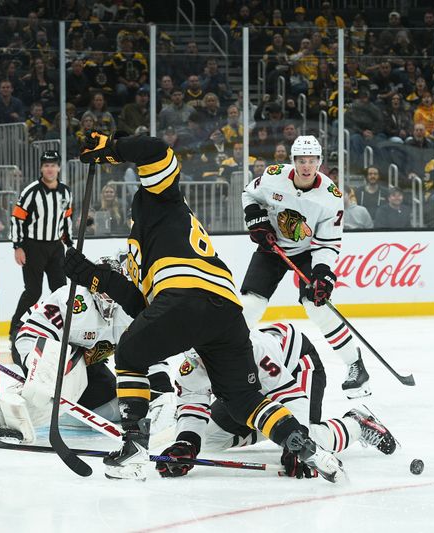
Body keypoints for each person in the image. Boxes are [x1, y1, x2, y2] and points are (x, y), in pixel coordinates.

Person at [65, 132, 344, 482]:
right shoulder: (143, 244)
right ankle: (304, 445)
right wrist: (92, 276)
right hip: (224, 311)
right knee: (242, 399)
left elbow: (155, 149)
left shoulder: (158, 197)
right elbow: (143, 307)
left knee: (129, 354)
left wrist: (111, 149)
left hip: (186, 298)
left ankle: (133, 447)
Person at [156, 323, 397, 479]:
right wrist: (187, 443)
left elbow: (290, 395)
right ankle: (271, 431)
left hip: (296, 366)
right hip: (249, 389)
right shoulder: (194, 366)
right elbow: (193, 404)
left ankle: (356, 424)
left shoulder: (255, 350)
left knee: (309, 440)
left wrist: (296, 440)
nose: (204, 365)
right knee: (209, 439)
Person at [0, 261, 174, 444]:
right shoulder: (73, 300)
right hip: (34, 340)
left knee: (109, 401)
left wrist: (161, 392)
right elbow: (31, 334)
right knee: (47, 385)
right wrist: (36, 368)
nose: (110, 295)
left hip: (87, 360)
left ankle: (58, 413)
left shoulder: (129, 307)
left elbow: (147, 352)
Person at [238, 136, 370, 399]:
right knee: (251, 305)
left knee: (316, 306)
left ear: (319, 162)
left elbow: (328, 243)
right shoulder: (274, 176)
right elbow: (249, 193)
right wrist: (255, 218)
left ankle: (354, 364)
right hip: (272, 247)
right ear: (293, 161)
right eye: (301, 160)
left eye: (311, 160)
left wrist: (322, 273)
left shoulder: (331, 197)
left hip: (308, 252)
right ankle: (227, 360)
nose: (306, 166)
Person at [9, 150, 73, 363]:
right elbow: (17, 218)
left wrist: (69, 245)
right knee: (33, 291)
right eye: (46, 165)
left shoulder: (65, 192)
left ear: (59, 168)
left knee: (61, 291)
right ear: (41, 168)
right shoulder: (31, 191)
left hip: (55, 247)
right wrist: (18, 246)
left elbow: (66, 219)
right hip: (33, 246)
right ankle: (16, 328)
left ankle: (62, 330)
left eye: (53, 165)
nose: (50, 169)